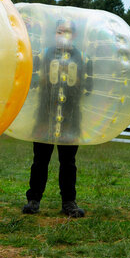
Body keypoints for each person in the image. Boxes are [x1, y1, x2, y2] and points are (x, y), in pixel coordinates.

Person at [22, 19, 90, 218]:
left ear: (74, 36)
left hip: (70, 118)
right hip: (45, 117)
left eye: (67, 32)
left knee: (68, 162)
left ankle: (69, 202)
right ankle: (33, 200)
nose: (63, 35)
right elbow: (32, 81)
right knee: (40, 160)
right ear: (55, 33)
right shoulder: (44, 55)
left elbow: (89, 87)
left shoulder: (83, 58)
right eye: (60, 31)